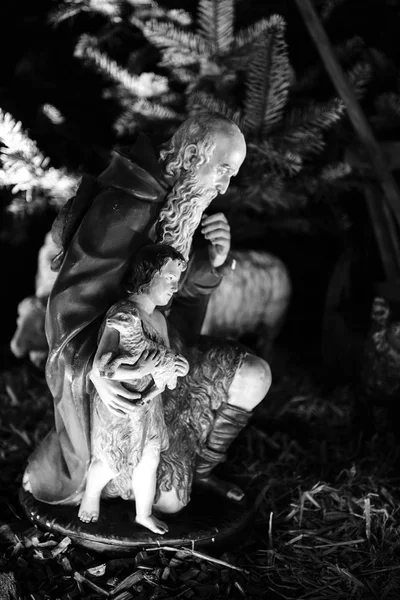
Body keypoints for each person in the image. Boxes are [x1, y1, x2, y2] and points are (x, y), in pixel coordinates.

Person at [23, 111, 271, 513]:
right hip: (122, 378)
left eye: (231, 175)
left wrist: (214, 261)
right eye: (222, 171)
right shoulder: (125, 208)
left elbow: (172, 296)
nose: (224, 188)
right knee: (169, 502)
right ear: (191, 155)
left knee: (254, 376)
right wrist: (96, 371)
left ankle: (202, 471)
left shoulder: (178, 206)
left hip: (167, 356)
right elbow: (68, 308)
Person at [79, 244, 188, 533]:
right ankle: (90, 496)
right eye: (169, 277)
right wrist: (141, 370)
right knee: (113, 459)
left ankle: (143, 513)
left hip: (148, 403)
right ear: (149, 275)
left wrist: (172, 369)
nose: (175, 286)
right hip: (119, 403)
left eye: (177, 279)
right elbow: (103, 366)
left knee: (149, 458)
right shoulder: (124, 313)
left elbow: (162, 358)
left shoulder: (159, 319)